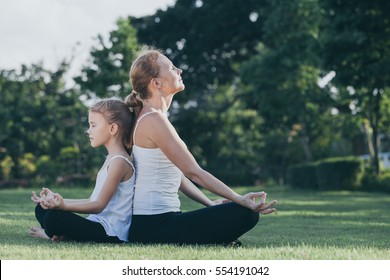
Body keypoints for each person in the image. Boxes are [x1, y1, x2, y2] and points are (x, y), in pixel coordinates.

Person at [125, 46, 277, 245]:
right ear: (157, 83)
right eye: (172, 68)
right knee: (245, 214)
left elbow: (178, 177)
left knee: (236, 213)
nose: (179, 71)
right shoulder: (153, 119)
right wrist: (238, 198)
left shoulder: (151, 117)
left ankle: (214, 238)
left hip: (154, 224)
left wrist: (210, 203)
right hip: (154, 226)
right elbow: (193, 172)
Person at [30, 99, 135, 243]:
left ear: (113, 129)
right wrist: (54, 202)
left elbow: (98, 205)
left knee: (53, 218)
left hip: (110, 232)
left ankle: (51, 234)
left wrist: (63, 206)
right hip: (96, 224)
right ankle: (62, 234)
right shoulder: (111, 158)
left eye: (93, 125)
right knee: (42, 209)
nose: (88, 130)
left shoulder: (120, 161)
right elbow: (91, 200)